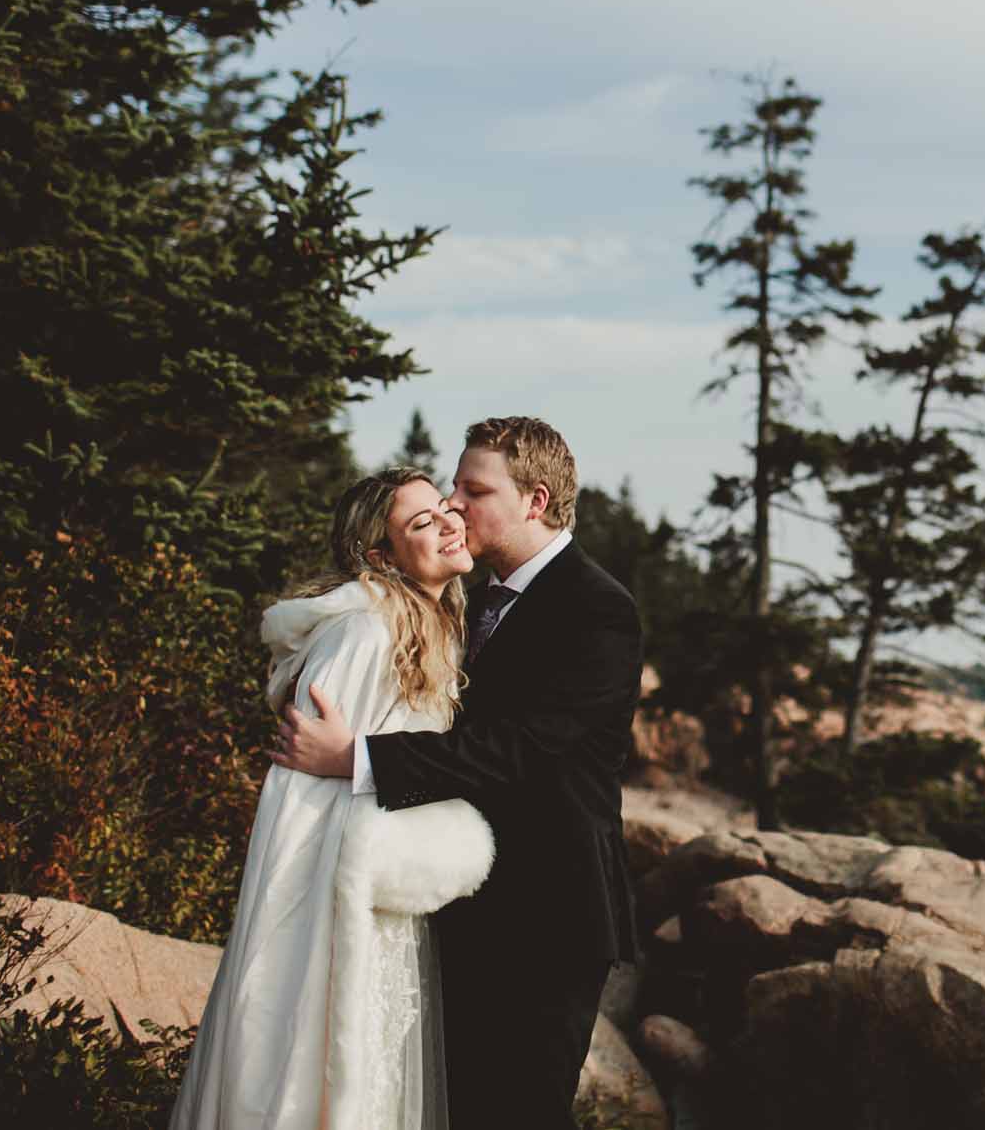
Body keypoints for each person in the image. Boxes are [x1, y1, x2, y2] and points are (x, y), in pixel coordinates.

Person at [273, 416, 642, 1130]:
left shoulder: (597, 608)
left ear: (535, 501)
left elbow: (517, 748)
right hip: (467, 901)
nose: (454, 501)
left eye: (475, 488)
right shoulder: (472, 598)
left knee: (519, 1113)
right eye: (455, 483)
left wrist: (359, 757)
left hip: (550, 913)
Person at [172, 467, 492, 1130]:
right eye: (421, 522)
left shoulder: (432, 630)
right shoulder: (363, 635)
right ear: (381, 555)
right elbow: (298, 800)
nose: (448, 522)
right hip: (331, 914)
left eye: (443, 508)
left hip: (383, 905)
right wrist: (301, 943)